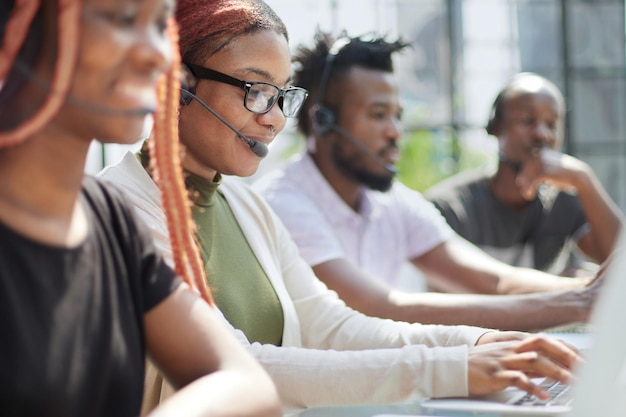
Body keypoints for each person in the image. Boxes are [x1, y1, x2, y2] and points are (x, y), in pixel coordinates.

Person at [100, 1, 583, 414]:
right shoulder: (119, 209)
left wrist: (472, 344)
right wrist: (450, 368)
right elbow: (239, 365)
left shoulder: (247, 208)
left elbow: (334, 327)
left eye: (282, 95)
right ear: (178, 84)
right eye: (255, 91)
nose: (272, 120)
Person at [0, 1, 280, 416]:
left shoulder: (107, 216)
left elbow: (246, 381)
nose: (161, 54)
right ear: (21, 28)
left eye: (159, 25)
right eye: (123, 19)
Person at [254, 32, 605, 332]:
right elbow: (379, 309)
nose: (395, 132)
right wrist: (579, 302)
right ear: (323, 121)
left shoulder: (392, 201)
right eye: (378, 115)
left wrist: (596, 290)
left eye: (397, 116)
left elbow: (492, 281)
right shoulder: (284, 203)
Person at [425, 72, 623, 276]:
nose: (542, 134)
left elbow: (620, 259)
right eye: (527, 120)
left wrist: (584, 179)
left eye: (552, 124)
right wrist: (562, 288)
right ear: (495, 127)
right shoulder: (450, 207)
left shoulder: (563, 202)